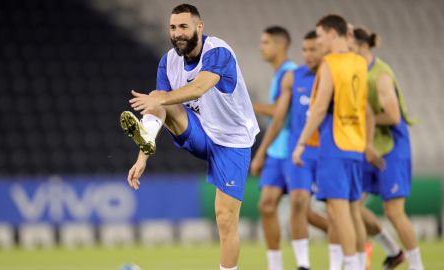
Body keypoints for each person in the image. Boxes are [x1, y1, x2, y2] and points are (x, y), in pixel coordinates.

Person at [121, 4, 259, 270]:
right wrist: (142, 158)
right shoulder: (167, 62)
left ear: (199, 27)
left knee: (225, 219)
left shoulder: (218, 52)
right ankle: (145, 136)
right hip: (201, 130)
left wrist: (158, 98)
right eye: (173, 27)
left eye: (184, 26)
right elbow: (158, 107)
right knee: (159, 101)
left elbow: (198, 88)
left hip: (232, 141)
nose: (177, 33)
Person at [291, 14, 384, 270]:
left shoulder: (330, 63)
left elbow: (320, 108)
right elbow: (364, 106)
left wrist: (300, 143)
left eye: (319, 35)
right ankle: (357, 264)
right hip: (355, 144)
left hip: (334, 144)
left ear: (332, 34)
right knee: (353, 212)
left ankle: (352, 266)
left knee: (338, 212)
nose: (317, 40)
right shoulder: (358, 62)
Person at [250, 30, 328, 270]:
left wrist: (246, 106)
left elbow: (278, 115)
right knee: (267, 205)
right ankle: (275, 265)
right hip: (277, 150)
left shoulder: (292, 73)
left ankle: (349, 238)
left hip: (291, 150)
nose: (261, 47)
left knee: (301, 209)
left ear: (280, 44)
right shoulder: (282, 74)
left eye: (265, 42)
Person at [349, 26, 424, 270]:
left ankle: (417, 265)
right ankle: (393, 250)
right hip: (367, 147)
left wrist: (359, 121)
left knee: (393, 212)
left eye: (351, 50)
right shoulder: (354, 72)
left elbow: (392, 115)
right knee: (347, 205)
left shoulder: (380, 75)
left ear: (364, 48)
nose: (347, 54)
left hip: (391, 148)